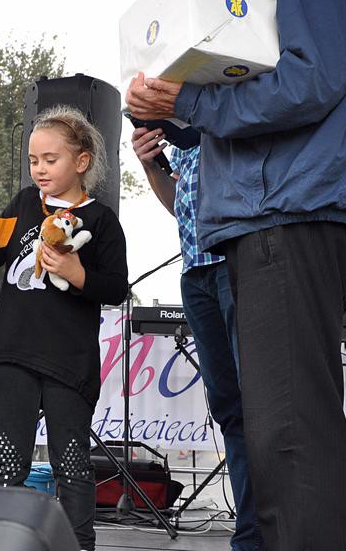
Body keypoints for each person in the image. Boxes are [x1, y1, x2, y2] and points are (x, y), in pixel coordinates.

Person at [126, 0, 346, 550]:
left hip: (289, 214)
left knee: (290, 423)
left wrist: (189, 102)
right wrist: (165, 113)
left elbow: (309, 83)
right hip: (267, 216)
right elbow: (247, 108)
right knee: (274, 423)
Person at [0, 105, 128, 551]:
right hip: (12, 350)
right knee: (7, 457)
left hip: (69, 359)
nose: (40, 169)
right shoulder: (23, 203)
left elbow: (116, 287)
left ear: (82, 161)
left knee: (71, 460)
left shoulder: (102, 220)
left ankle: (78, 543)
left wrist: (76, 273)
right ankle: (2, 542)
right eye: (34, 160)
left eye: (51, 159)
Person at [131, 127, 261, 551]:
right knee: (230, 408)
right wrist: (151, 166)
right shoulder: (185, 138)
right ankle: (250, 535)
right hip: (195, 269)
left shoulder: (226, 119)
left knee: (258, 404)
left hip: (236, 261)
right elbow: (180, 204)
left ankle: (269, 532)